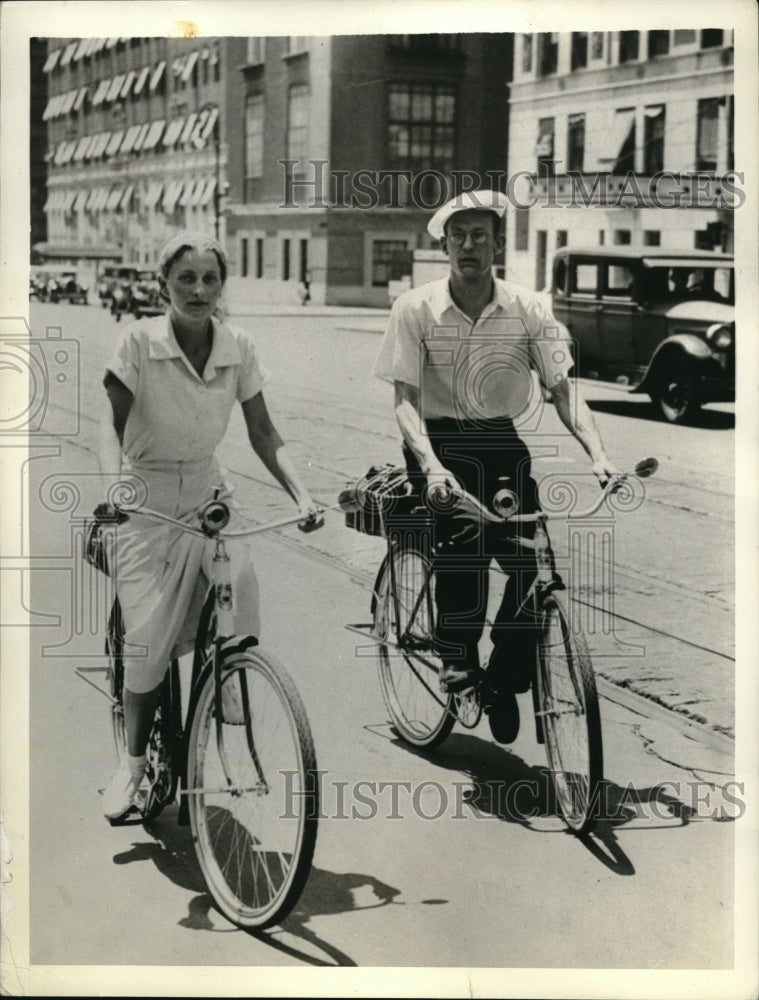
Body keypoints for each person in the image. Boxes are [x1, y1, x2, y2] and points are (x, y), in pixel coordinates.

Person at [373, 190, 618, 744]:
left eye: (480, 235)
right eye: (457, 236)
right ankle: (458, 668)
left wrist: (598, 455)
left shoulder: (529, 308)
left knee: (532, 563)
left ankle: (502, 681)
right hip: (437, 444)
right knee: (464, 549)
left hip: (499, 441)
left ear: (497, 243)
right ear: (444, 245)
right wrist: (432, 468)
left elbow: (563, 390)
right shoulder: (415, 308)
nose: (469, 246)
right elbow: (405, 400)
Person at [97, 231, 322, 820]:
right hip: (144, 497)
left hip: (206, 490)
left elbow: (264, 431)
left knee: (240, 585)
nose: (199, 291)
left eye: (210, 280)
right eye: (186, 280)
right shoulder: (139, 343)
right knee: (145, 645)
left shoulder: (238, 345)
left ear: (223, 285)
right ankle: (132, 763)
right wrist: (112, 486)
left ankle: (226, 675)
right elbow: (108, 426)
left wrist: (302, 495)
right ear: (164, 285)